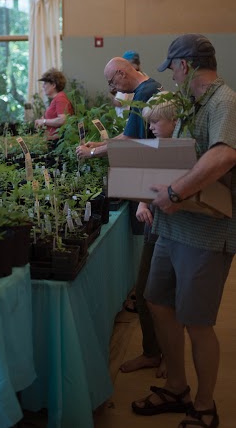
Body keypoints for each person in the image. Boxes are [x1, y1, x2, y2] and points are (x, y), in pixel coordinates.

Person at [132, 34, 236, 428]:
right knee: (159, 302)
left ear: (185, 65)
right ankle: (177, 387)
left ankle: (206, 407)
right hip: (174, 225)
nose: (172, 76)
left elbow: (225, 154)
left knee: (197, 322)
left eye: (173, 67)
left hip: (207, 232)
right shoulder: (193, 105)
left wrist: (176, 190)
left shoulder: (224, 101)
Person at [120, 94, 177, 378]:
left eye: (156, 122)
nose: (151, 127)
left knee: (166, 298)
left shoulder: (180, 151)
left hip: (174, 232)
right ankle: (152, 352)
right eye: (149, 122)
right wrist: (143, 201)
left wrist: (146, 200)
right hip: (154, 230)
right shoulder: (156, 148)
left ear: (174, 120)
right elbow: (146, 184)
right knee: (144, 293)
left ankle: (169, 356)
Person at [76, 56, 161, 160]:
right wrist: (102, 144)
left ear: (122, 74)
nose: (113, 88)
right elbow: (130, 132)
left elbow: (130, 139)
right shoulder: (151, 85)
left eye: (112, 82)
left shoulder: (143, 94)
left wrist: (93, 152)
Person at [34, 68, 74, 148]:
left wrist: (44, 121)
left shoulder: (60, 98)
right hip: (54, 141)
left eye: (45, 83)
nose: (43, 86)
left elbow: (63, 120)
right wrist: (44, 121)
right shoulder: (57, 98)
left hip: (58, 142)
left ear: (53, 85)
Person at [109, 50, 141, 118]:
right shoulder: (143, 76)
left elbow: (119, 102)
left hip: (123, 121)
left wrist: (111, 96)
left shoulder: (126, 78)